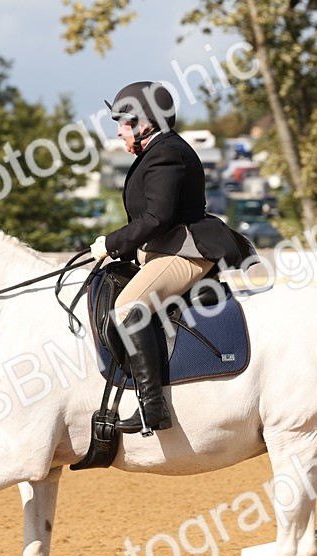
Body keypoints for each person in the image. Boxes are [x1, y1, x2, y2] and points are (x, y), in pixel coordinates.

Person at [89, 81, 243, 435]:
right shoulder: (154, 152)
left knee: (129, 307)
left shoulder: (166, 152)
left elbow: (157, 218)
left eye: (123, 122)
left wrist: (111, 243)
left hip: (187, 251)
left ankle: (152, 406)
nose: (118, 131)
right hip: (166, 250)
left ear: (145, 123)